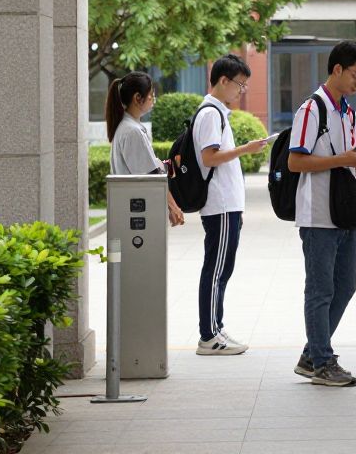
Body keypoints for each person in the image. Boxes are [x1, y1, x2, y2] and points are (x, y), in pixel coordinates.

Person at [288, 40, 356, 387]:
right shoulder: (312, 109)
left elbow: (345, 157)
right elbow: (296, 161)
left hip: (345, 212)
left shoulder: (348, 112)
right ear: (337, 70)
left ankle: (313, 354)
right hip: (317, 215)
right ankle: (322, 362)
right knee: (320, 289)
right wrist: (344, 160)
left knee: (346, 285)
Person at [194, 54, 268, 356]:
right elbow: (209, 157)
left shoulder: (216, 112)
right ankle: (209, 335)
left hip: (226, 205)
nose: (241, 91)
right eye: (239, 84)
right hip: (220, 203)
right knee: (216, 270)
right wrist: (245, 149)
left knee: (222, 268)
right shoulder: (211, 113)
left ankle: (216, 328)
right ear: (223, 80)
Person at [105, 71, 184, 227]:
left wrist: (165, 166)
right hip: (137, 213)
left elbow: (147, 168)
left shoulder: (127, 127)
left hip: (132, 210)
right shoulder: (132, 131)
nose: (153, 99)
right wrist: (174, 207)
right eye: (151, 95)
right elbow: (151, 176)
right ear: (137, 98)